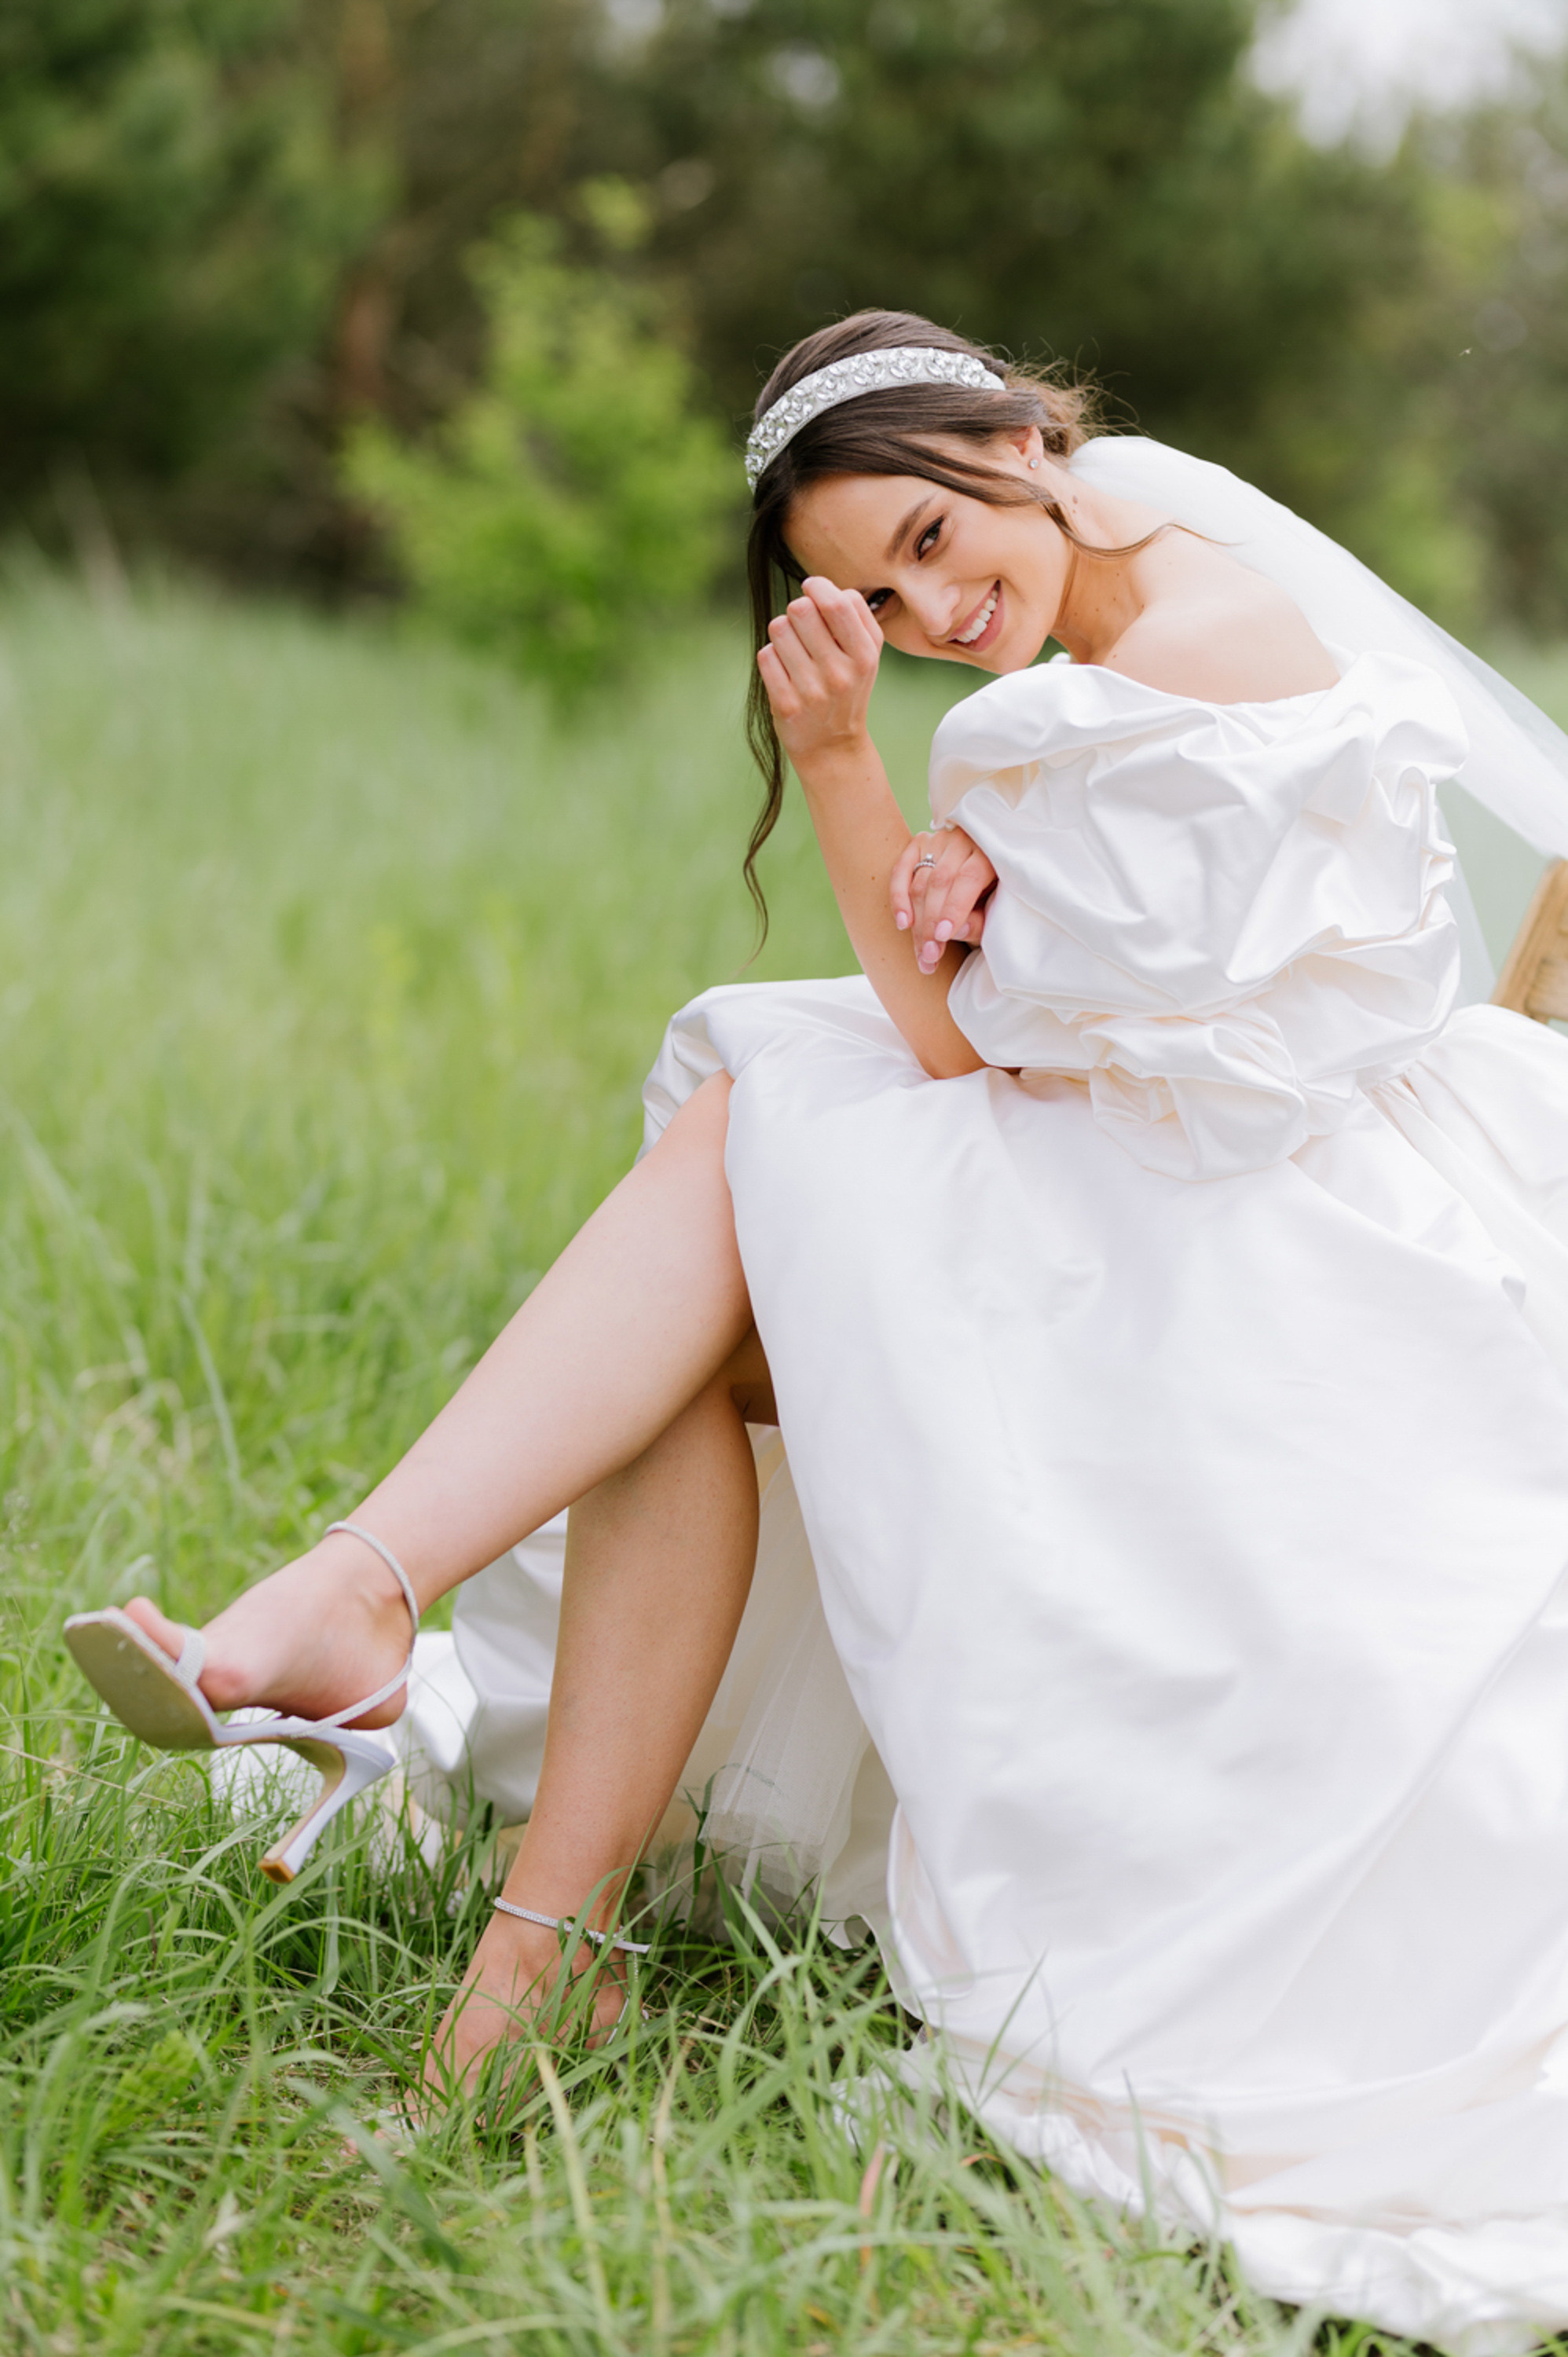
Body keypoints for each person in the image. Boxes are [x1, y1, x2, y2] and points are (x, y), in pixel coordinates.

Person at [64, 310, 1568, 2350]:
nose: (940, 607)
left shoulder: (1140, 672)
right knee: (738, 1194)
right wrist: (917, 809)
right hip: (1184, 1143)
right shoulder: (1120, 586)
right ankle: (520, 1908)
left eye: (943, 537)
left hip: (1271, 1207)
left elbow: (959, 1046)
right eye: (874, 595)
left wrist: (852, 758)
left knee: (751, 1133)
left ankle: (397, 1657)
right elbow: (986, 1023)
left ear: (1030, 439)